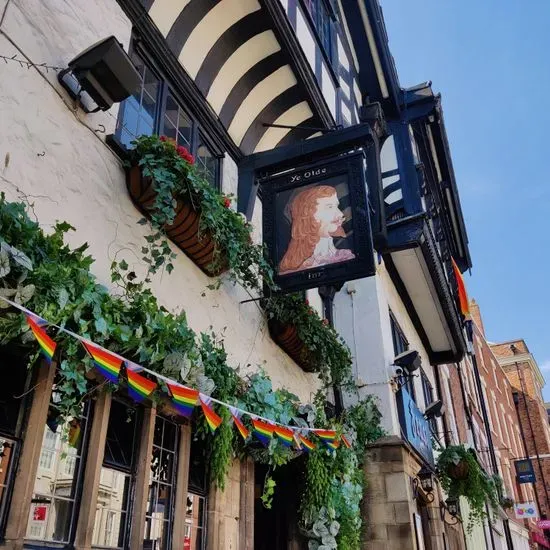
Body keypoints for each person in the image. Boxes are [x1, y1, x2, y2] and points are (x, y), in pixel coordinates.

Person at [279, 185, 355, 275]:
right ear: (308, 214)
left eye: (336, 206)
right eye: (330, 207)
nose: (340, 214)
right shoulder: (290, 269)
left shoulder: (345, 257)